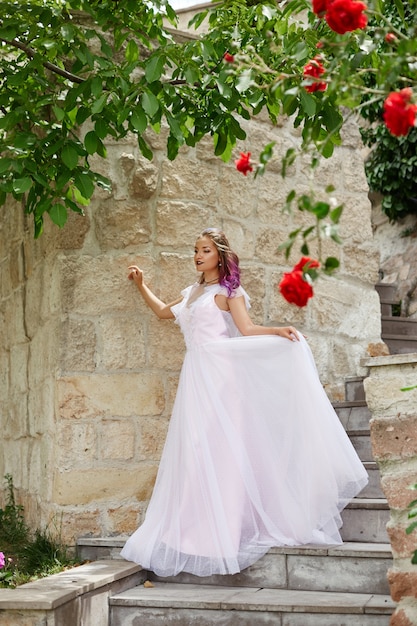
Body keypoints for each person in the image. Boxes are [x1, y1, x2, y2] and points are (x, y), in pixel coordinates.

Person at [120, 227, 368, 578]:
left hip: (221, 378)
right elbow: (163, 312)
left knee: (221, 451)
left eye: (204, 250)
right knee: (194, 451)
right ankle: (192, 532)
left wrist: (278, 331)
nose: (197, 255)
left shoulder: (228, 292)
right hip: (196, 375)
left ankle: (223, 535)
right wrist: (141, 284)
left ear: (219, 256)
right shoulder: (192, 292)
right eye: (195, 250)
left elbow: (247, 329)